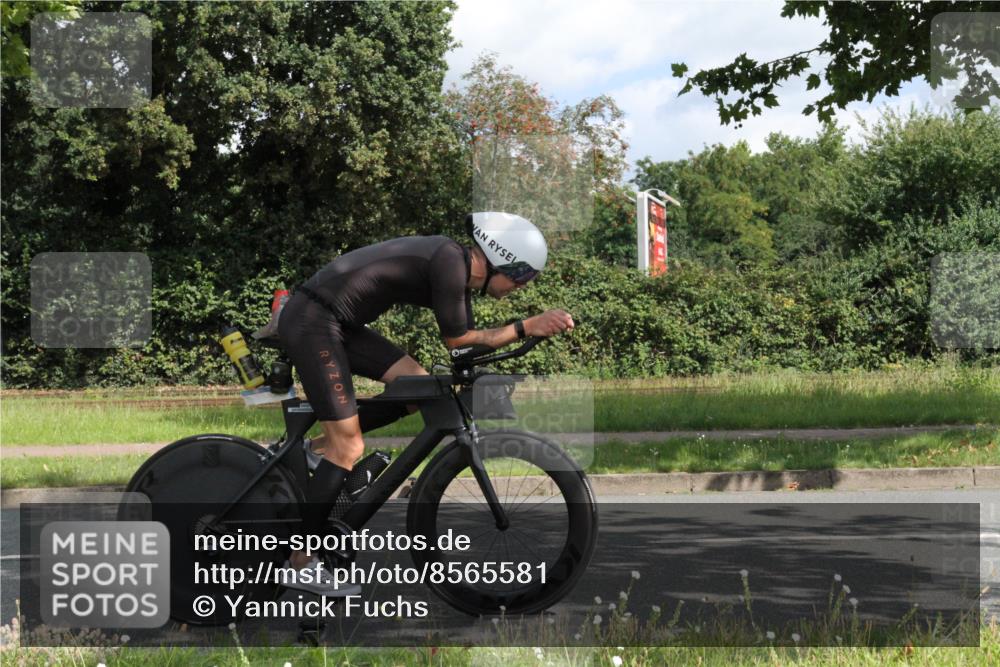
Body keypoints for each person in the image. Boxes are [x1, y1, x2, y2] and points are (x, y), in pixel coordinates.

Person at [275, 211, 574, 595]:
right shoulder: (450, 261)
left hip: (338, 323)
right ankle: (300, 562)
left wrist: (521, 332)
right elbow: (460, 340)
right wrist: (524, 327)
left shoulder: (457, 270)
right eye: (521, 277)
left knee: (416, 387)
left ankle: (314, 452)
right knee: (348, 445)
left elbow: (464, 348)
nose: (520, 287)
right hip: (314, 321)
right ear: (501, 259)